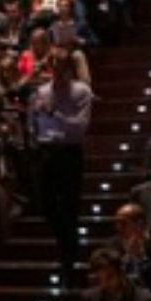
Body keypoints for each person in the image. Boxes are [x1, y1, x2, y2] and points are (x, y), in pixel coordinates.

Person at [29, 52, 93, 280]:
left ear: (68, 69)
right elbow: (34, 122)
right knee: (44, 205)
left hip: (69, 152)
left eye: (59, 68)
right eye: (51, 68)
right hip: (46, 151)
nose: (54, 73)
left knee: (69, 208)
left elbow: (79, 127)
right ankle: (66, 243)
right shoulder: (43, 91)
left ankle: (69, 260)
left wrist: (54, 113)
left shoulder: (81, 92)